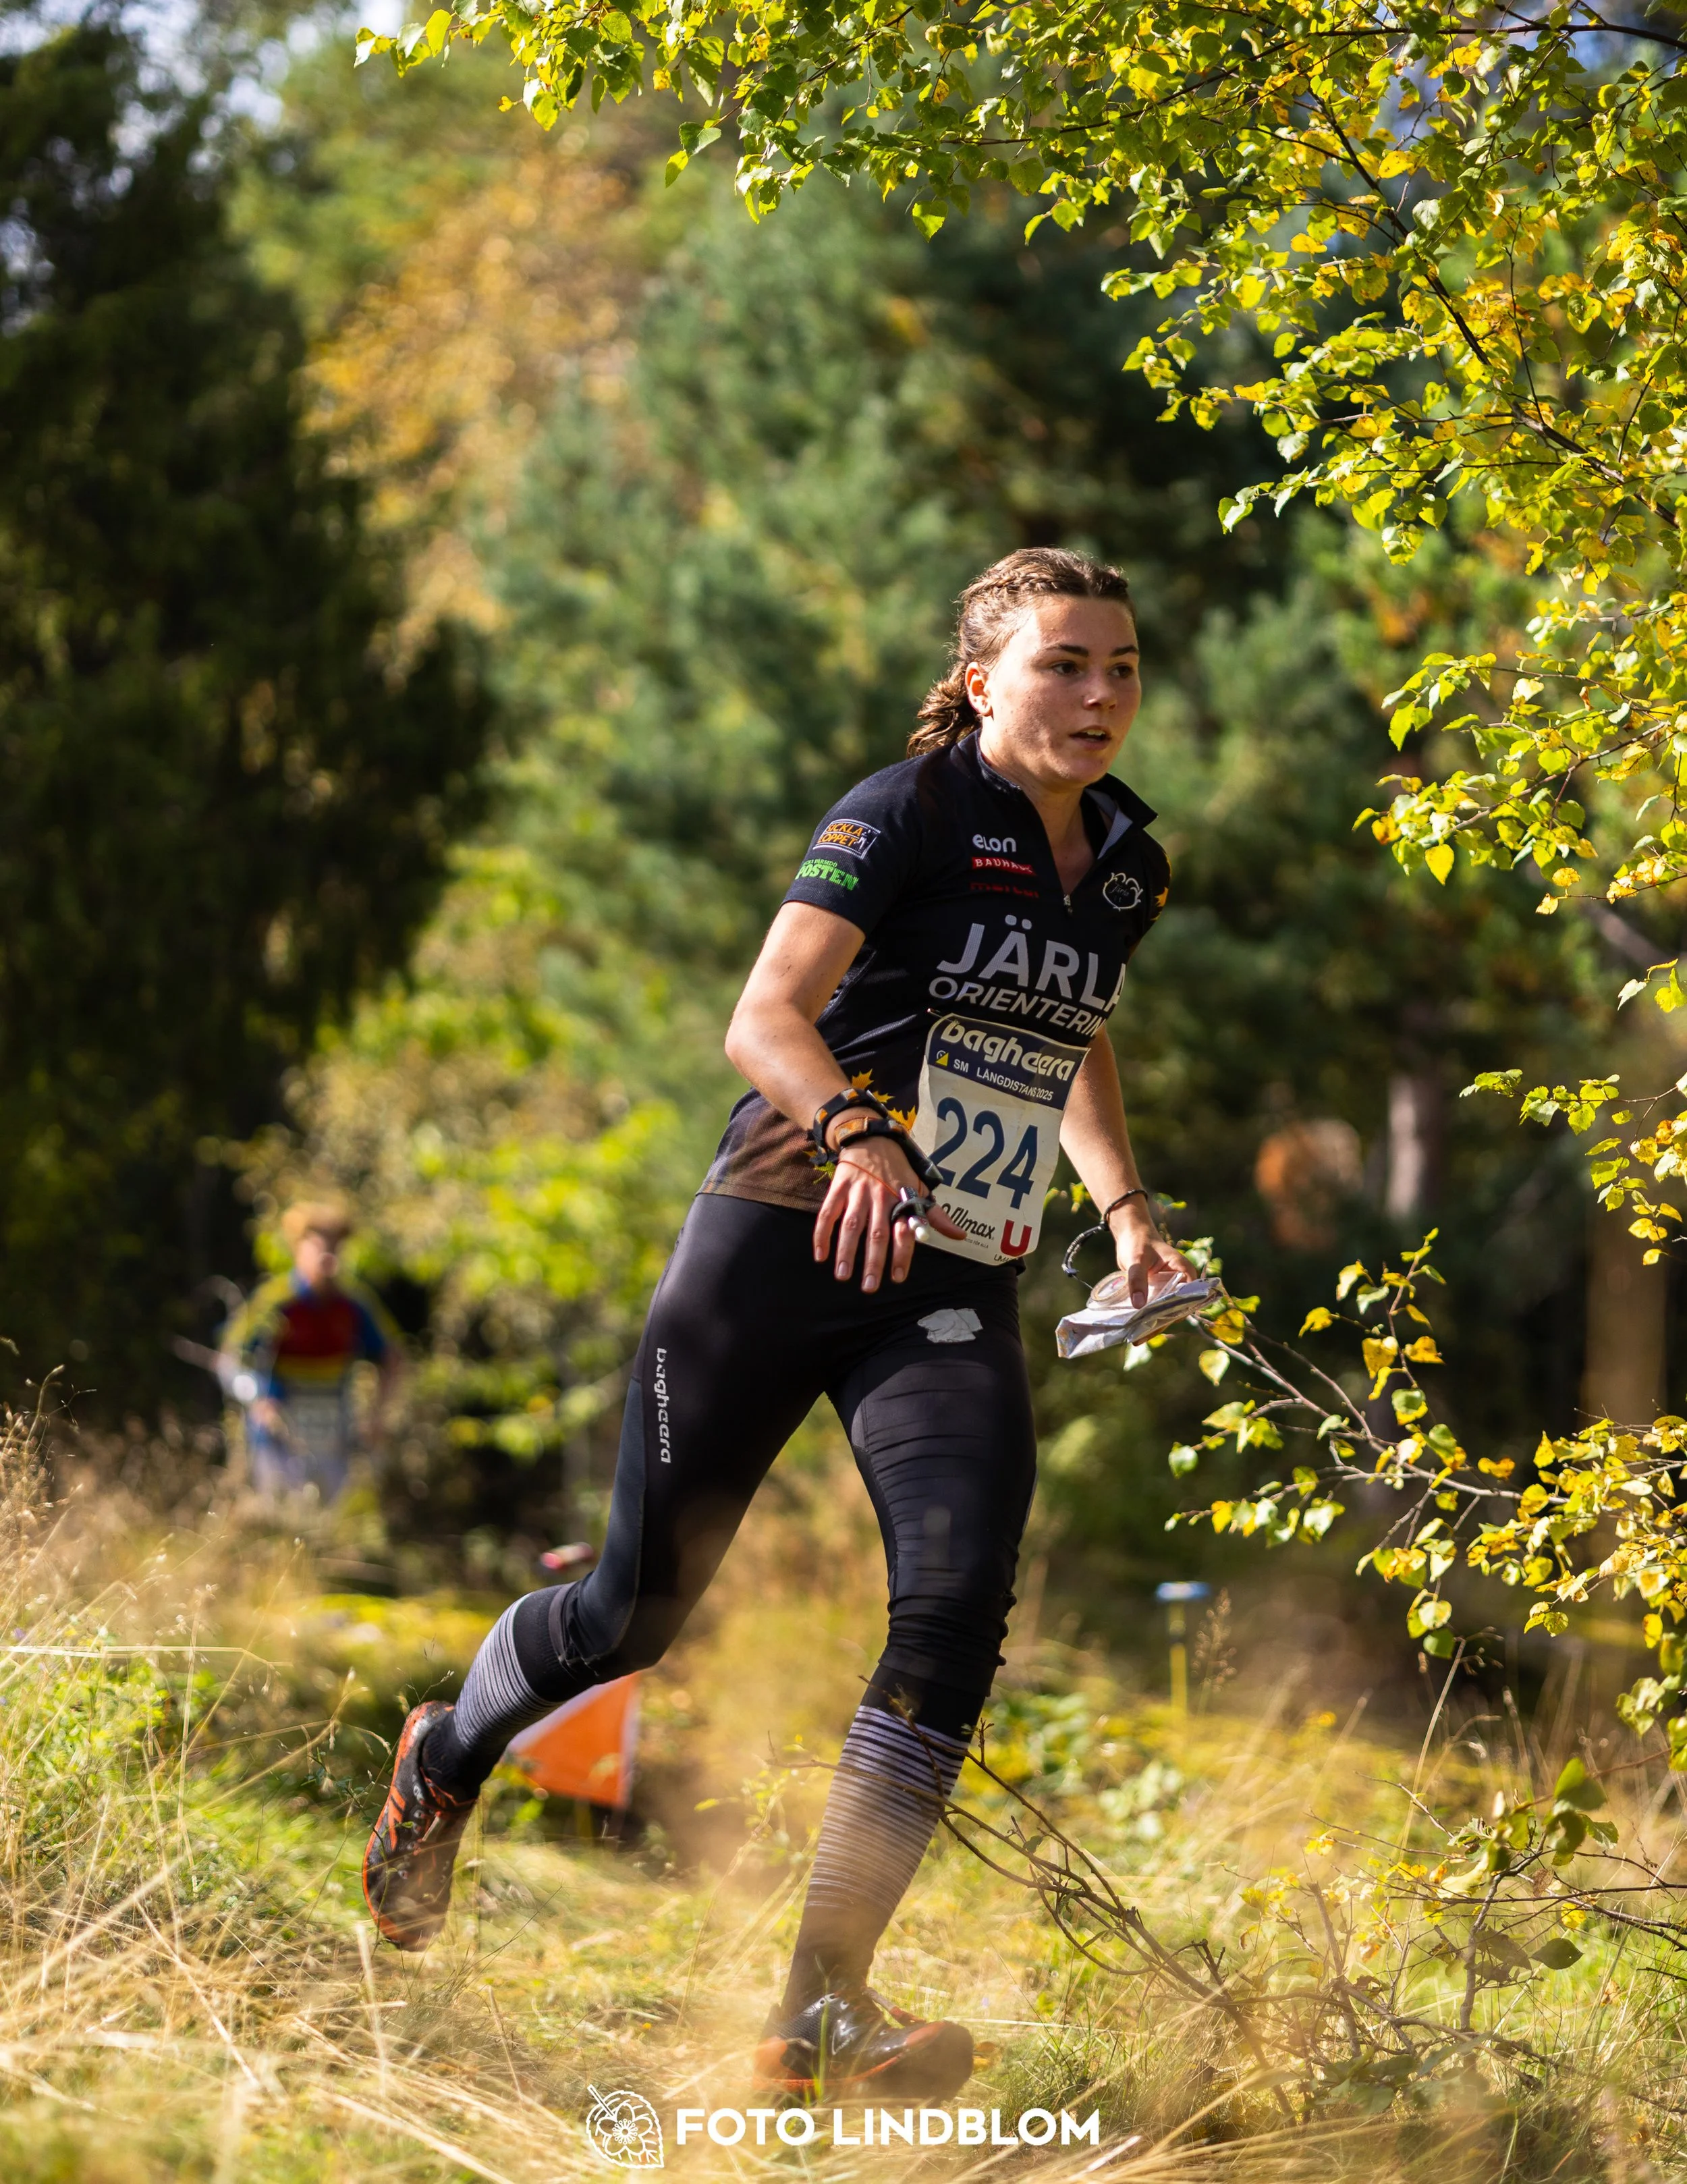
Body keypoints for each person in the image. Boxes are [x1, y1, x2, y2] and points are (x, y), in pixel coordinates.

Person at [362, 547, 1191, 2096]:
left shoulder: (1132, 860)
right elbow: (765, 1017)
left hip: (948, 1277)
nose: (1098, 695)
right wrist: (864, 1133)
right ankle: (448, 1753)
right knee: (630, 1616)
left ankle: (823, 1998)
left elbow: (1068, 1032)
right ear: (987, 678)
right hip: (779, 1239)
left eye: (1122, 666)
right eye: (1065, 665)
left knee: (954, 1608)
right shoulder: (907, 809)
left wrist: (1128, 1210)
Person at [226, 1201, 403, 1502]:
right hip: (276, 1432)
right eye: (321, 1247)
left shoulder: (354, 1305)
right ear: (299, 1248)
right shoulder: (276, 1301)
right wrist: (256, 1398)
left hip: (334, 1433)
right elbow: (229, 1359)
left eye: (337, 1249)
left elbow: (393, 1358)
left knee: (327, 1524)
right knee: (278, 1516)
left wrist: (378, 1415)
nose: (329, 1257)